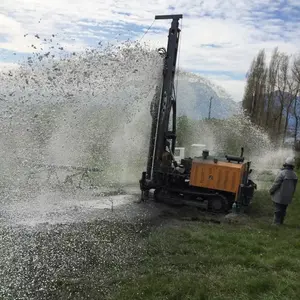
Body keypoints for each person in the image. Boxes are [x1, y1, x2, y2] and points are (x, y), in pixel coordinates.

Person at [269, 157, 298, 225]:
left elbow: (276, 184)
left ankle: (276, 224)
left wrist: (271, 191)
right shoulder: (295, 175)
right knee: (283, 210)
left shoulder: (282, 173)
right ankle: (281, 222)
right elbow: (294, 187)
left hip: (279, 196)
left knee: (278, 210)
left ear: (285, 164)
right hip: (288, 196)